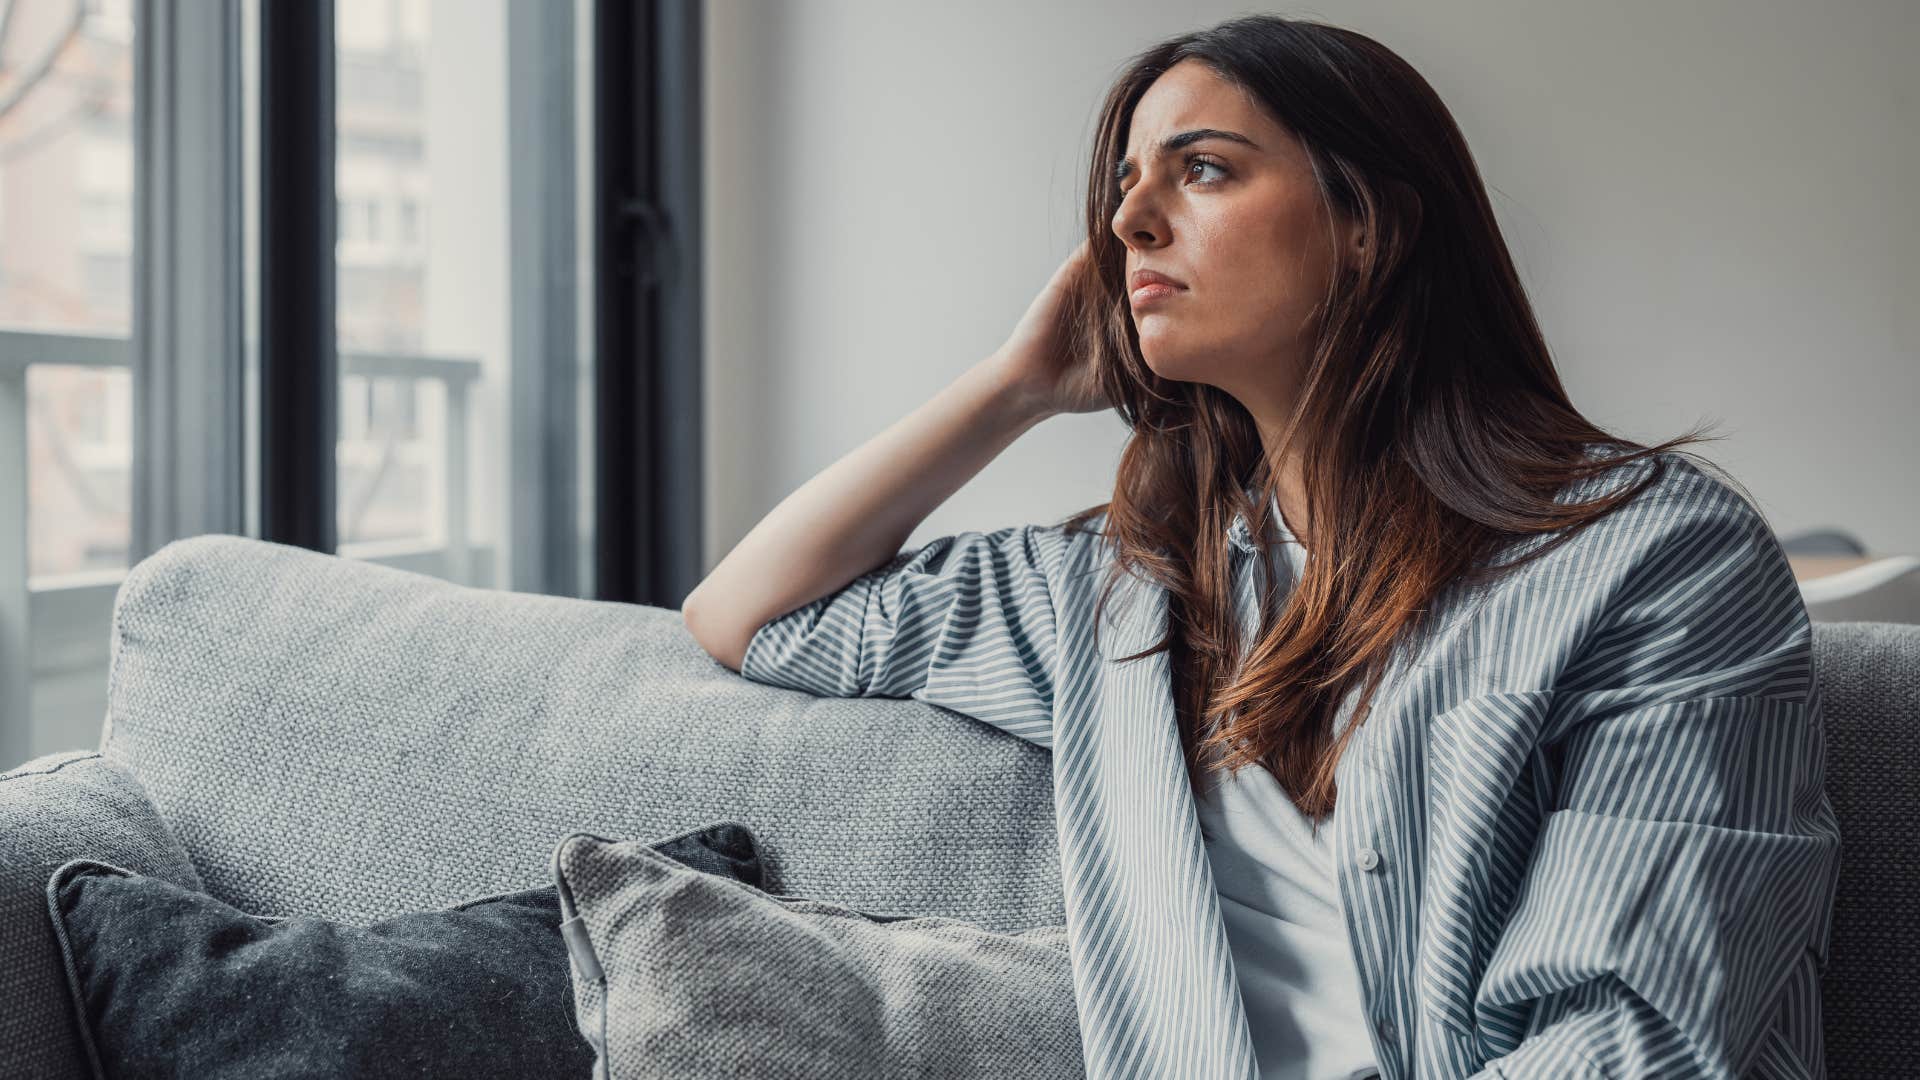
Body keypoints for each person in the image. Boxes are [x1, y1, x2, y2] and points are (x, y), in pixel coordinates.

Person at [683, 14, 1839, 1080]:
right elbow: (748, 612)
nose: (1129, 221)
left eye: (1203, 169)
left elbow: (1639, 1040)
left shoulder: (1652, 558)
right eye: (1127, 185)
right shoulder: (1122, 596)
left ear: (1368, 224)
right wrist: (1012, 389)